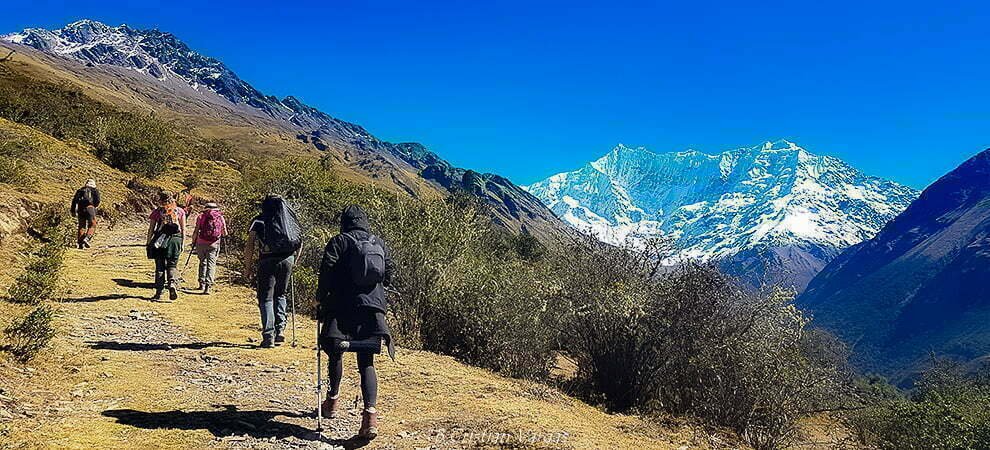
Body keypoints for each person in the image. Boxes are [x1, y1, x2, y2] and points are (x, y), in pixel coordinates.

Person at [317, 204, 395, 440]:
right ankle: (370, 417)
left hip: (342, 308)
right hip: (372, 309)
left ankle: (332, 402)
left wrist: (321, 298)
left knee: (336, 354)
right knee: (366, 361)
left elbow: (326, 272)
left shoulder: (339, 241)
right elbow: (389, 271)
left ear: (345, 221)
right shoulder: (377, 242)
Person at [244, 195, 301, 348]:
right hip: (287, 259)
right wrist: (294, 261)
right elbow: (299, 241)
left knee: (266, 297)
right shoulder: (289, 220)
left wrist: (247, 268)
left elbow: (250, 245)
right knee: (281, 294)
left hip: (266, 260)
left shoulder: (259, 220)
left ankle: (268, 334)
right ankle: (280, 329)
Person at [146, 191, 186, 301]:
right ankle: (172, 284)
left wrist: (149, 242)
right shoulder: (180, 211)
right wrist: (183, 243)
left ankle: (159, 292)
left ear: (160, 200)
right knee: (172, 265)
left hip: (160, 240)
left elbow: (151, 229)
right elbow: (183, 229)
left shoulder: (157, 212)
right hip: (175, 240)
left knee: (160, 266)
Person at [190, 202, 228, 294]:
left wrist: (193, 241)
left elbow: (196, 230)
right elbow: (225, 233)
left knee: (202, 262)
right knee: (211, 264)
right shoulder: (220, 217)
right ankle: (208, 286)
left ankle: (201, 283)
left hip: (201, 243)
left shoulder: (201, 217)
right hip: (214, 244)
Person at [70, 179, 101, 249]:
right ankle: (87, 238)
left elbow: (74, 201)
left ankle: (80, 244)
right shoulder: (95, 191)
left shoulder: (80, 190)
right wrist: (94, 207)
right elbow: (98, 201)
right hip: (90, 208)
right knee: (93, 224)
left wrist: (73, 211)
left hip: (80, 209)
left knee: (81, 226)